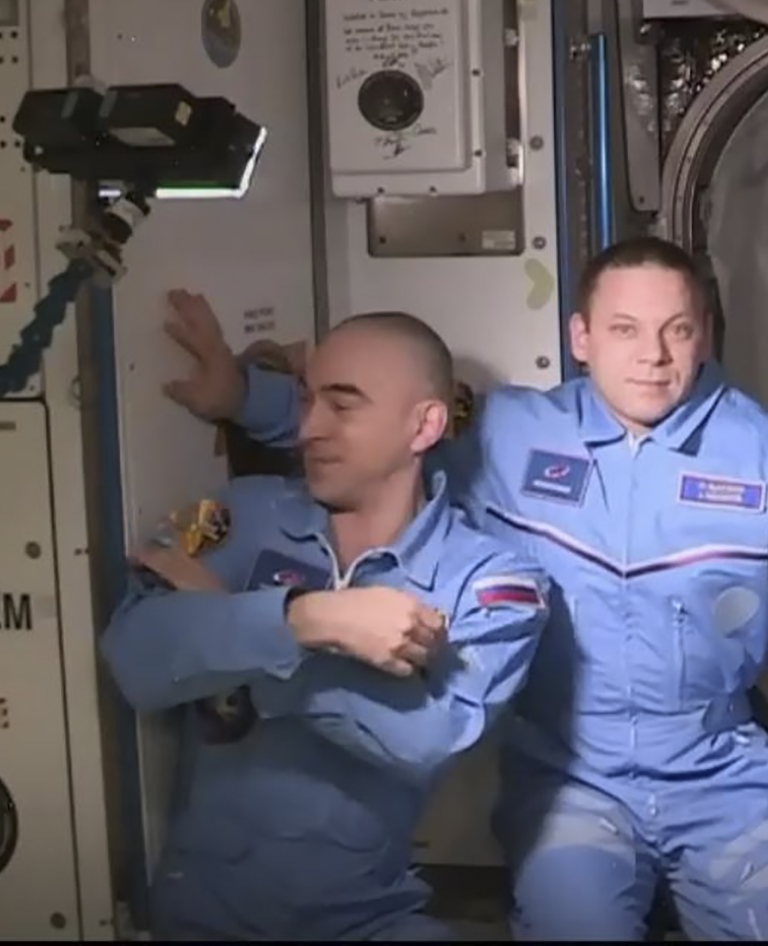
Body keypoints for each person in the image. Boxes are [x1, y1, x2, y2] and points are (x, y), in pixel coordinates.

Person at [161, 236, 768, 942]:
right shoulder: (510, 433)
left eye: (677, 330)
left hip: (722, 772)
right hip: (571, 776)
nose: (653, 356)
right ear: (581, 335)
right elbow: (377, 429)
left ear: (705, 334)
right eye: (625, 329)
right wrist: (240, 397)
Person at [100, 311, 549, 941]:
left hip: (367, 921)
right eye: (307, 400)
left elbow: (426, 736)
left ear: (425, 425)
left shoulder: (490, 582)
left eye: (343, 406)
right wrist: (309, 619)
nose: (309, 428)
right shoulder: (239, 517)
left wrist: (237, 631)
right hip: (202, 919)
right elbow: (133, 657)